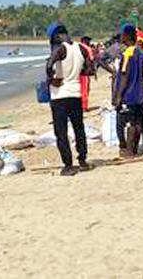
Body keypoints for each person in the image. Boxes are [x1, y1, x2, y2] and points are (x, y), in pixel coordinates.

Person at [45, 22, 91, 175]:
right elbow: (90, 69)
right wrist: (76, 73)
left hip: (60, 96)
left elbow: (49, 65)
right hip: (76, 94)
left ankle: (68, 164)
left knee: (61, 132)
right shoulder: (80, 48)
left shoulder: (60, 48)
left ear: (57, 36)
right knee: (79, 128)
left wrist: (52, 79)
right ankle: (83, 160)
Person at [114, 25, 143, 156]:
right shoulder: (139, 52)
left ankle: (129, 149)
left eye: (123, 35)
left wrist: (118, 95)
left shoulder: (128, 53)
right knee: (138, 121)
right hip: (139, 93)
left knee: (128, 123)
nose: (121, 37)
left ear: (127, 36)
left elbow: (124, 75)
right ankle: (134, 147)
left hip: (129, 93)